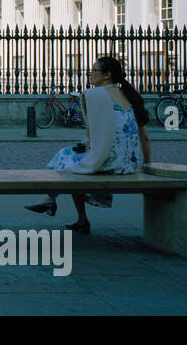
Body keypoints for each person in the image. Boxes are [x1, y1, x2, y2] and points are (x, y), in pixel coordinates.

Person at [25, 56, 152, 233]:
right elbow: (144, 136)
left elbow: (92, 135)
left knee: (66, 157)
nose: (90, 74)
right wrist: (146, 165)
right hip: (129, 164)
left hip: (110, 163)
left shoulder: (94, 94)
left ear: (107, 75)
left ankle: (50, 198)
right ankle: (78, 218)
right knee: (74, 162)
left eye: (94, 71)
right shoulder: (131, 95)